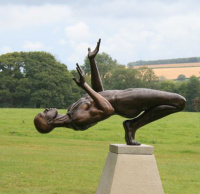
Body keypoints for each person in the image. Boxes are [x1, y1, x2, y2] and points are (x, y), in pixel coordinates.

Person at [34, 39, 186, 145]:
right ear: (48, 122)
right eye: (43, 114)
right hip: (126, 103)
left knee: (177, 102)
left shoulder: (71, 112)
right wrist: (85, 86)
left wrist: (92, 61)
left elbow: (99, 93)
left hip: (125, 96)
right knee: (179, 102)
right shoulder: (77, 120)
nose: (46, 110)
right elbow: (108, 109)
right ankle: (132, 126)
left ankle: (133, 125)